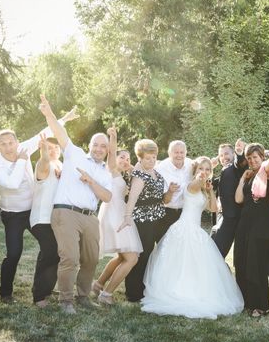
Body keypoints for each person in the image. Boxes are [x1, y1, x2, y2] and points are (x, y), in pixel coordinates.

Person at [0, 110, 78, 303]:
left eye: (11, 143)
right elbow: (11, 184)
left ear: (16, 141)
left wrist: (64, 119)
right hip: (12, 215)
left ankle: (43, 287)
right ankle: (5, 293)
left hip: (33, 211)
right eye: (2, 144)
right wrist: (22, 160)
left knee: (51, 248)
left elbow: (44, 131)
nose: (8, 147)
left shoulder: (23, 147)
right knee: (14, 254)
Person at [141, 157, 244, 319]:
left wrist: (210, 190)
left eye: (207, 169)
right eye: (201, 169)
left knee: (197, 264)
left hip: (196, 230)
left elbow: (213, 209)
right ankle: (177, 291)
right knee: (180, 262)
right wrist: (199, 178)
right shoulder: (192, 185)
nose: (204, 172)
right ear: (195, 172)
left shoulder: (204, 188)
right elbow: (196, 184)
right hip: (183, 229)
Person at [39, 94, 113, 314]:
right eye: (96, 145)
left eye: (103, 146)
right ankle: (66, 301)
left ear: (107, 150)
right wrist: (48, 113)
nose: (99, 149)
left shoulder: (105, 171)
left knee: (91, 259)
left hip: (90, 216)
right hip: (66, 213)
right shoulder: (75, 154)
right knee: (70, 257)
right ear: (89, 145)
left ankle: (83, 296)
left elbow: (107, 196)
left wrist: (91, 181)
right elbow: (59, 132)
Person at [234, 143, 269, 317]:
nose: (251, 161)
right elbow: (238, 200)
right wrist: (243, 178)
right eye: (249, 158)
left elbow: (268, 166)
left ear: (262, 158)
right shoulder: (250, 176)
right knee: (241, 262)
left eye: (255, 157)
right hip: (245, 224)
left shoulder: (267, 172)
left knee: (256, 266)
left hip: (262, 226)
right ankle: (246, 302)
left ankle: (261, 306)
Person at [92, 127, 143, 305]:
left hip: (119, 214)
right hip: (114, 215)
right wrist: (113, 137)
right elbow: (112, 152)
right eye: (123, 157)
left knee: (123, 257)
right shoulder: (111, 169)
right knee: (132, 258)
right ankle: (106, 294)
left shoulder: (122, 176)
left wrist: (131, 170)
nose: (125, 160)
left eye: (128, 158)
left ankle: (98, 285)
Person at [122, 139, 175, 302]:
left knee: (158, 253)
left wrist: (171, 191)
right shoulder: (139, 175)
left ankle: (151, 286)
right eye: (147, 158)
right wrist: (127, 218)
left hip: (158, 217)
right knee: (142, 254)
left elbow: (163, 199)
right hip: (143, 219)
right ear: (140, 158)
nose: (151, 161)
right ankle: (134, 292)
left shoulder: (156, 173)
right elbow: (132, 199)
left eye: (153, 157)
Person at [28, 136, 63, 308]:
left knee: (55, 254)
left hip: (56, 220)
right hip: (41, 219)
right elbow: (43, 162)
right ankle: (39, 295)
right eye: (48, 148)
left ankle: (45, 288)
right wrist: (43, 154)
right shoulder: (43, 165)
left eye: (56, 148)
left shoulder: (60, 166)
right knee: (50, 252)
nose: (53, 151)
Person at [211, 139, 247, 258]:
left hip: (232, 217)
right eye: (221, 155)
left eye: (226, 153)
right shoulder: (224, 171)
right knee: (214, 249)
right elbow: (211, 185)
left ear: (233, 154)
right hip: (223, 216)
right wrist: (210, 169)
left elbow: (240, 163)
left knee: (216, 252)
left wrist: (239, 153)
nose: (223, 157)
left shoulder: (235, 168)